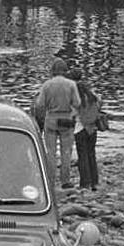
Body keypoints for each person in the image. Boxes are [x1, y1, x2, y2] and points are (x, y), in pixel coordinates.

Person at [32, 58, 82, 189]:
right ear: (65, 71)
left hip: (51, 119)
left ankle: (50, 180)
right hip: (66, 118)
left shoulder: (47, 85)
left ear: (52, 71)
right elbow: (77, 103)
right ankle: (65, 180)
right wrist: (72, 113)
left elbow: (39, 104)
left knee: (51, 152)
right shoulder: (71, 84)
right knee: (66, 151)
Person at [74, 80, 103, 190]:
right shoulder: (93, 98)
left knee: (82, 157)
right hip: (92, 129)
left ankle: (85, 183)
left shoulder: (77, 100)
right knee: (91, 155)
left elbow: (73, 113)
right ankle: (94, 181)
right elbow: (100, 105)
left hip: (80, 130)